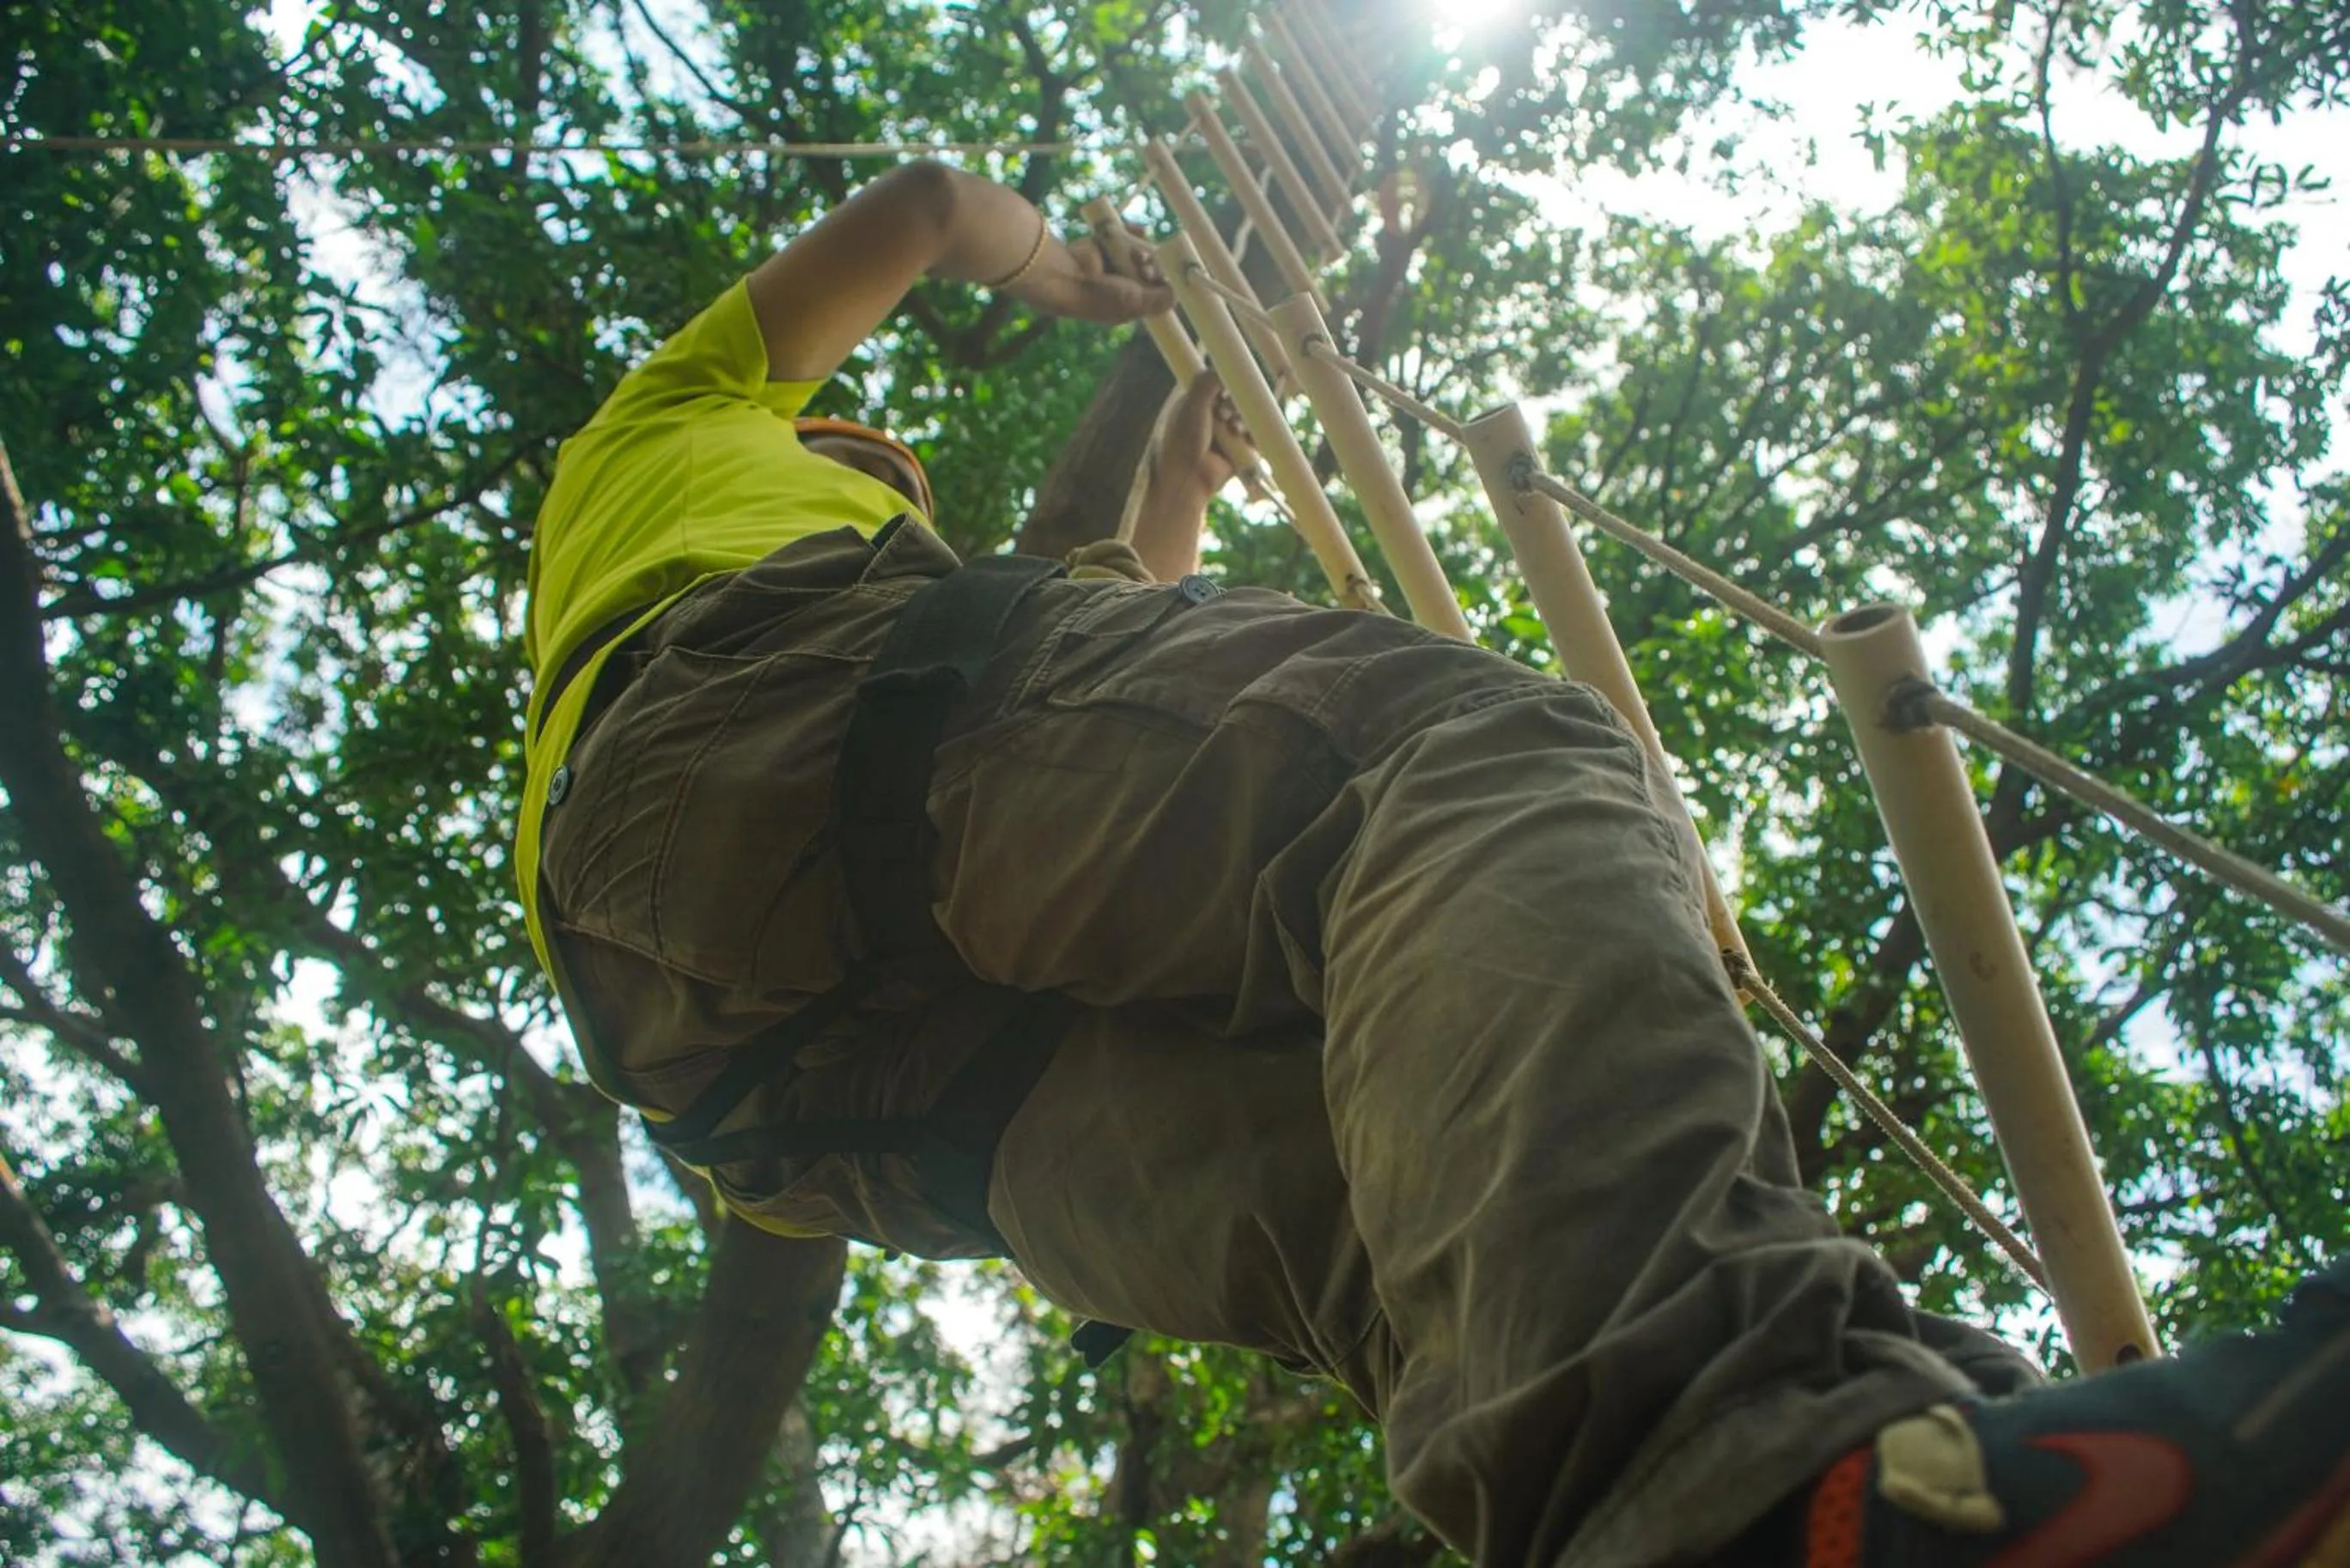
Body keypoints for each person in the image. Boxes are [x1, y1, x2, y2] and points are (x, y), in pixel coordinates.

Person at [515, 161, 2350, 1566]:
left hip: (776, 1091)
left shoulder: (871, 614)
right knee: (1469, 753)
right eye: (876, 463)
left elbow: (1101, 679)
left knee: (1423, 1227)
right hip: (760, 715)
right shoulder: (684, 433)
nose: (898, 485)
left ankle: (1974, 1458)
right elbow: (919, 208)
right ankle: (1767, 1477)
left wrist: (1178, 459)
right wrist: (1060, 269)